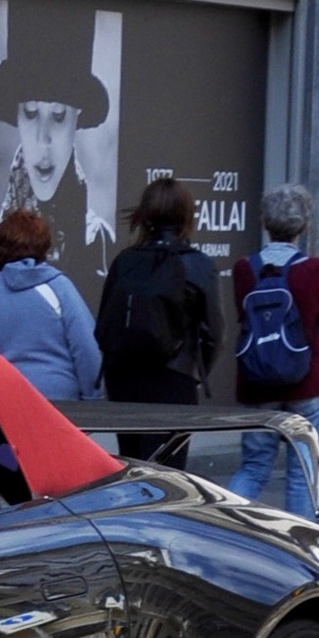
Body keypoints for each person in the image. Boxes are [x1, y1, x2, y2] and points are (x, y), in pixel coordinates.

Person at [228, 184, 319, 514]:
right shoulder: (316, 269)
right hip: (308, 380)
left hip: (257, 380)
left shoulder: (244, 269)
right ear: (305, 224)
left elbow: (244, 316)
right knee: (302, 471)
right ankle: (299, 545)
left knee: (253, 467)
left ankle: (229, 529)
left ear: (264, 221)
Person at [0, 6, 117, 272]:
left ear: (76, 118)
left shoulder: (97, 239)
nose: (43, 139)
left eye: (58, 116)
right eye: (31, 113)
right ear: (17, 117)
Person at [96, 177, 219, 459]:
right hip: (173, 379)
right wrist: (193, 373)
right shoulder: (198, 265)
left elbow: (104, 323)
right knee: (168, 475)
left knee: (131, 465)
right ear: (187, 215)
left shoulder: (125, 260)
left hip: (123, 380)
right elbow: (214, 333)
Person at [0, 210, 102, 401]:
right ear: (43, 247)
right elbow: (86, 349)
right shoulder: (59, 287)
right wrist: (94, 397)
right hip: (57, 403)